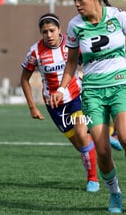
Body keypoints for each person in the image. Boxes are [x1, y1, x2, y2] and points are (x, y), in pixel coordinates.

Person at [50, 0, 126, 213]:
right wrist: (61, 88)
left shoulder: (117, 15)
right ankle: (115, 194)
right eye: (74, 0)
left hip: (120, 86)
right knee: (102, 149)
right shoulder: (74, 25)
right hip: (93, 93)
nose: (77, 4)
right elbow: (71, 62)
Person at [21, 13, 100, 192]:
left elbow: (90, 61)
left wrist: (86, 76)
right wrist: (32, 107)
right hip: (54, 105)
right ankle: (102, 139)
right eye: (44, 32)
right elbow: (24, 79)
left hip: (76, 96)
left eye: (52, 30)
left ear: (59, 30)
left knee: (81, 133)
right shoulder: (35, 51)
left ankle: (93, 179)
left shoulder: (72, 43)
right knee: (80, 145)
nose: (48, 35)